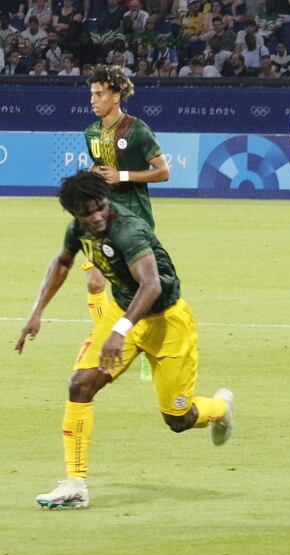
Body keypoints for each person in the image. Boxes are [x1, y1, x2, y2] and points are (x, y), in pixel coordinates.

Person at [16, 171, 235, 509]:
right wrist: (36, 311)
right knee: (80, 385)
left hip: (167, 323)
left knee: (178, 419)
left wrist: (119, 332)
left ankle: (220, 409)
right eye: (88, 212)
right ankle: (75, 482)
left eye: (101, 206)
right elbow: (62, 263)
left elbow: (151, 285)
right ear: (75, 213)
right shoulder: (79, 229)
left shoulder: (127, 230)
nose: (98, 216)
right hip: (123, 313)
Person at [84, 65, 171, 379]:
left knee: (140, 291)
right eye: (91, 93)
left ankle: (149, 347)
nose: (93, 99)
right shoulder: (91, 133)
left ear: (116, 95)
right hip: (103, 221)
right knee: (95, 281)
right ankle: (104, 338)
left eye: (99, 93)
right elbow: (98, 167)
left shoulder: (137, 130)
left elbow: (163, 171)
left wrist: (122, 176)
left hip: (135, 221)